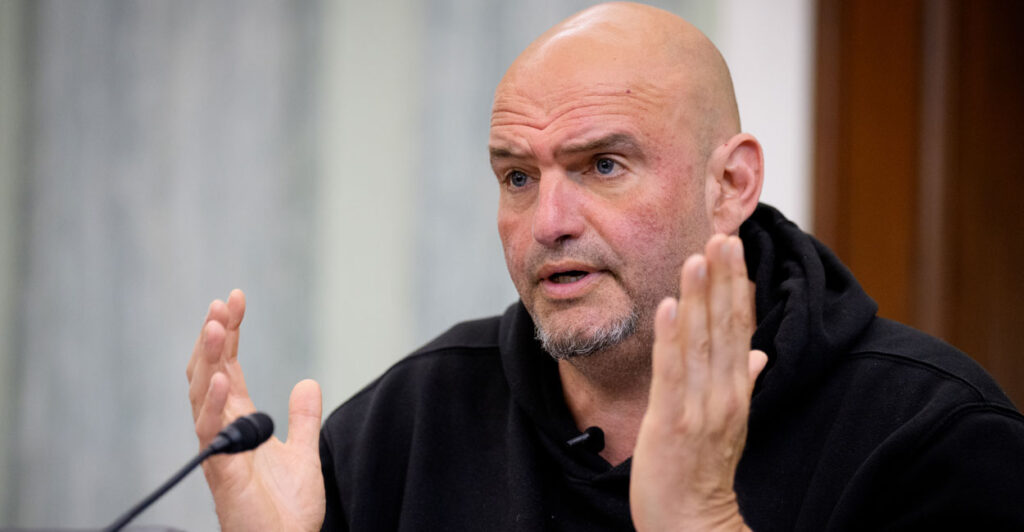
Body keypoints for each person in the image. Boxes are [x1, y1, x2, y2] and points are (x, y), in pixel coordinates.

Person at [185, 3, 1024, 530]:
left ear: (730, 183)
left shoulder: (930, 436)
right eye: (518, 176)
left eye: (603, 166)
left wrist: (703, 520)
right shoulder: (407, 425)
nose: (547, 223)